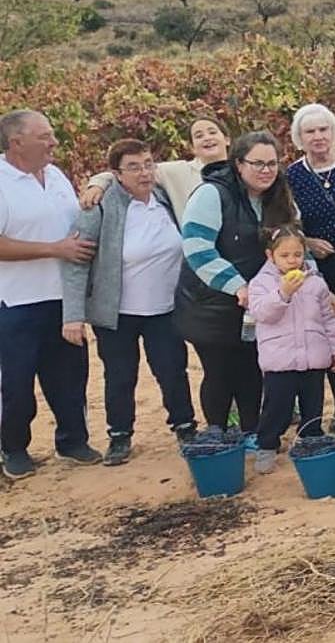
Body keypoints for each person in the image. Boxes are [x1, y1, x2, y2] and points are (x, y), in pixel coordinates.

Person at [61, 139, 196, 467]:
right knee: (120, 375)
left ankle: (185, 426)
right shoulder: (101, 207)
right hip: (117, 312)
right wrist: (73, 316)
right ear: (117, 174)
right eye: (133, 167)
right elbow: (77, 263)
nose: (144, 172)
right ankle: (119, 435)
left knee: (172, 369)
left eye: (148, 164)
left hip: (165, 308)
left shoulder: (166, 199)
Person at [176, 130, 298, 443]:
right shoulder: (212, 194)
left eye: (272, 163)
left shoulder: (280, 197)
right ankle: (218, 432)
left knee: (251, 368)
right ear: (238, 164)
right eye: (257, 163)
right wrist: (237, 286)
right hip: (211, 303)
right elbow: (197, 247)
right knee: (219, 371)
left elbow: (292, 245)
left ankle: (251, 432)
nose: (266, 170)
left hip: (257, 304)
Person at [0, 110, 100, 479]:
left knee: (70, 375)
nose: (54, 142)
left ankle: (72, 441)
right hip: (15, 302)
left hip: (64, 299)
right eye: (44, 136)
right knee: (17, 382)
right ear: (16, 143)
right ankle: (13, 448)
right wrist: (54, 249)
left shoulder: (55, 174)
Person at [247, 224, 335, 475]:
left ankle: (312, 439)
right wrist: (283, 293)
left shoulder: (315, 282)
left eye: (297, 255)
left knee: (313, 405)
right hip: (280, 361)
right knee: (276, 407)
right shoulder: (261, 283)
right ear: (271, 256)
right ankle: (267, 444)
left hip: (314, 357)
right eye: (285, 255)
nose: (292, 261)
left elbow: (327, 319)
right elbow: (260, 313)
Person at [286, 103, 335, 427]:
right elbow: (286, 223)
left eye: (323, 129)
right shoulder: (292, 175)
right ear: (299, 138)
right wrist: (307, 244)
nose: (318, 136)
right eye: (310, 131)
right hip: (324, 267)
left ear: (334, 131)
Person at [81, 117, 231, 215]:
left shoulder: (243, 169)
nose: (207, 138)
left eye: (212, 132)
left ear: (227, 139)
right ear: (192, 147)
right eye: (199, 136)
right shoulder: (177, 171)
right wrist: (97, 185)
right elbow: (127, 172)